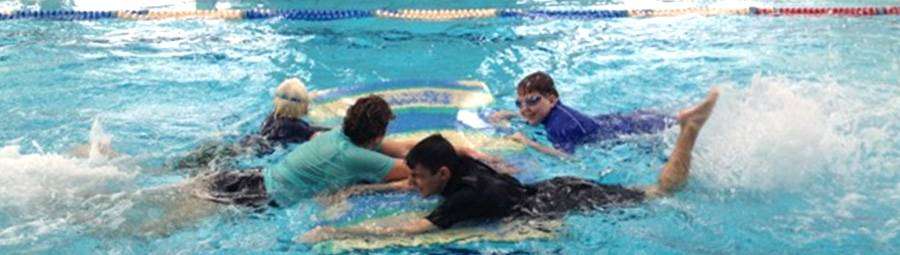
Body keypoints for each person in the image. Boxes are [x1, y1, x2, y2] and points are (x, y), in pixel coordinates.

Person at [298, 87, 718, 242]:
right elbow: (454, 156)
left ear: (442, 174)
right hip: (556, 187)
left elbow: (405, 230)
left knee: (659, 194)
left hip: (558, 205)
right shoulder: (455, 166)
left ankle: (690, 131)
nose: (414, 183)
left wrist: (335, 231)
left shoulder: (464, 196)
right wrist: (361, 190)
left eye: (419, 178)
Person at [192, 95, 487, 208]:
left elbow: (408, 149)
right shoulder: (357, 156)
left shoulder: (339, 136)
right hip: (255, 198)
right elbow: (418, 171)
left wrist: (460, 148)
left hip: (246, 177)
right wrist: (462, 157)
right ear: (377, 134)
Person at [492, 71, 700, 157]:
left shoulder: (561, 126)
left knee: (673, 126)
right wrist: (511, 115)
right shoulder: (549, 113)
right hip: (612, 120)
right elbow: (533, 117)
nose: (524, 108)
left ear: (552, 99)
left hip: (626, 132)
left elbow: (566, 157)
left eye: (532, 101)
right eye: (519, 103)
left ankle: (691, 116)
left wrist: (528, 143)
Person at [173, 78, 328, 170]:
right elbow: (320, 137)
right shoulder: (299, 127)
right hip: (257, 152)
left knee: (209, 158)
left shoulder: (272, 116)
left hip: (247, 142)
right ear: (304, 106)